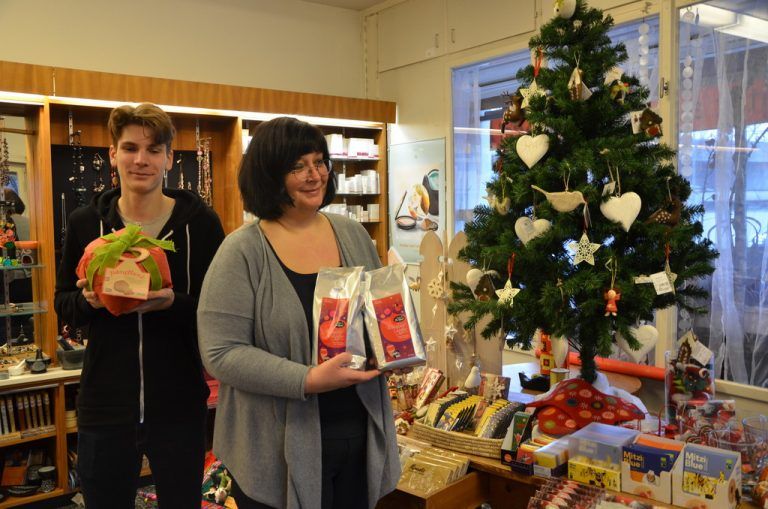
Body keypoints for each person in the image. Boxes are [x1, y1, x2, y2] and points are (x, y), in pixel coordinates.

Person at [197, 117, 400, 509]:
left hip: (357, 433)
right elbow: (221, 353)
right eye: (297, 166)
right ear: (270, 174)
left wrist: (395, 348)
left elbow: (378, 314)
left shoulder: (352, 233)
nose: (314, 175)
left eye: (320, 161)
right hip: (274, 449)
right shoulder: (241, 252)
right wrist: (307, 379)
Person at [54, 103, 225, 508]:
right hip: (106, 403)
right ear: (113, 154)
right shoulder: (84, 223)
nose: (141, 160)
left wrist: (171, 303)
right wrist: (90, 300)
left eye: (153, 150)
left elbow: (219, 309)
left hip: (179, 401)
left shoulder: (200, 224)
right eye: (130, 148)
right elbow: (64, 303)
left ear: (169, 156)